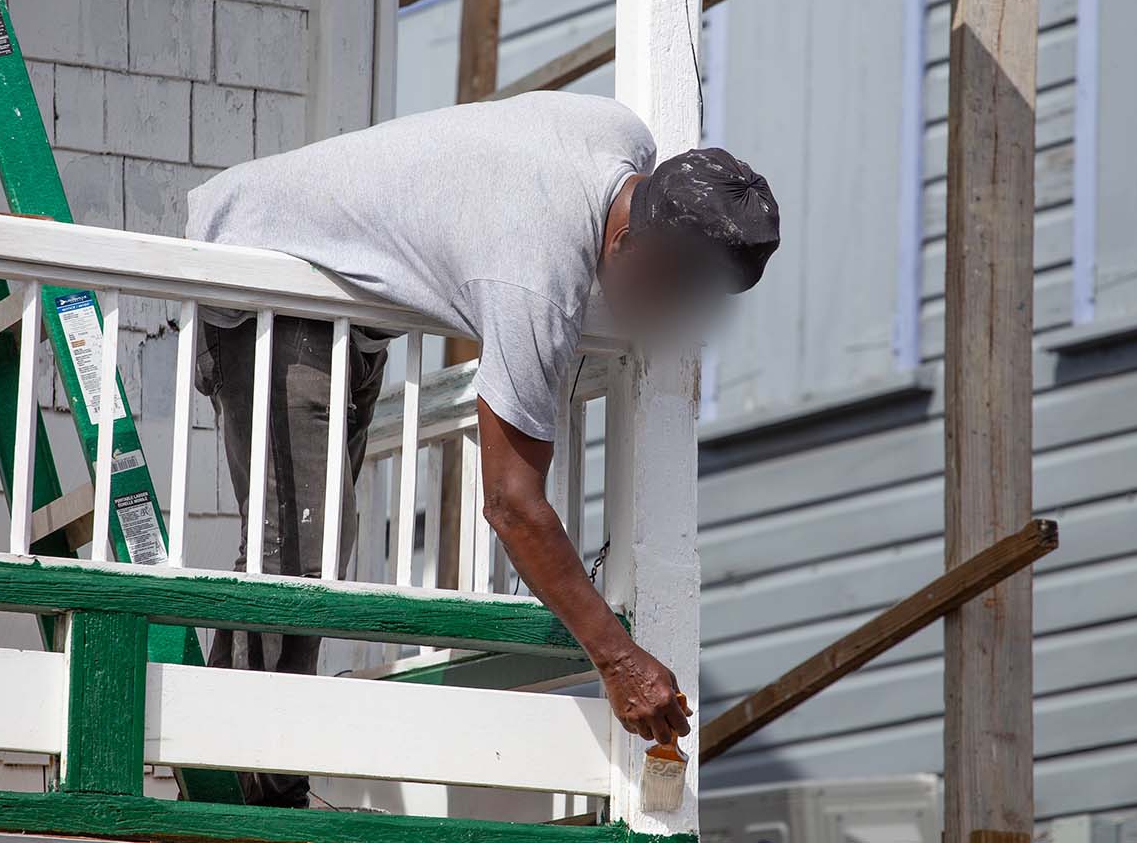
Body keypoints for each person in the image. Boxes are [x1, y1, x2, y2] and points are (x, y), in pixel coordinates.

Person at [186, 90, 779, 807]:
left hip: (349, 308)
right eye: (673, 292)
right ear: (628, 247)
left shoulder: (627, 149)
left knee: (310, 551)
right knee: (297, 558)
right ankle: (248, 797)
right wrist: (618, 658)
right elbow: (512, 505)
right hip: (270, 273)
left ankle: (241, 775)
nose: (674, 317)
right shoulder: (538, 275)